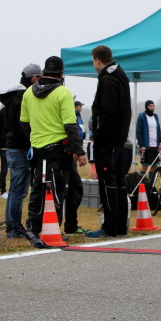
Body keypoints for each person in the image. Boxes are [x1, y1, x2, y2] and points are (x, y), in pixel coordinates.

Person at [20, 56, 86, 237]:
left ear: (43, 73)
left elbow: (24, 122)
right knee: (57, 189)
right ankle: (53, 228)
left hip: (38, 149)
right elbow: (70, 125)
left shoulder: (29, 92)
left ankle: (33, 227)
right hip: (59, 149)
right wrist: (79, 151)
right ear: (61, 73)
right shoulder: (62, 92)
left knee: (38, 188)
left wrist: (35, 138)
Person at [87, 45, 132, 238]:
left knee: (107, 183)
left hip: (108, 141)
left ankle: (110, 226)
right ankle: (120, 225)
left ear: (97, 59)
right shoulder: (120, 76)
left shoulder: (108, 80)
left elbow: (107, 112)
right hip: (119, 139)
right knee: (119, 182)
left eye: (93, 61)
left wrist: (99, 135)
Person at [0, 63, 42, 237]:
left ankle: (12, 226)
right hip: (19, 147)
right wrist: (32, 141)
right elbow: (22, 125)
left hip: (13, 146)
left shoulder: (13, 96)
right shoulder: (22, 97)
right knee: (19, 190)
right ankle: (13, 228)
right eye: (39, 78)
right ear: (34, 78)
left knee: (15, 189)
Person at [63, 100, 88, 235]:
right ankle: (55, 226)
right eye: (79, 105)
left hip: (72, 152)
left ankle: (71, 226)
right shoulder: (70, 114)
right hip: (65, 153)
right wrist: (76, 150)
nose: (80, 107)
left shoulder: (78, 116)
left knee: (75, 188)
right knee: (64, 190)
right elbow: (71, 131)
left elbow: (79, 133)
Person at [136, 100, 161, 174]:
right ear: (146, 107)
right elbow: (138, 132)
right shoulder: (142, 117)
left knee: (154, 165)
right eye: (150, 106)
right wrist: (141, 145)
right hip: (147, 146)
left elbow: (158, 130)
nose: (152, 107)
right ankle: (142, 180)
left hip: (155, 145)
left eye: (153, 106)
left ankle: (151, 181)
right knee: (145, 165)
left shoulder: (155, 116)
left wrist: (160, 142)